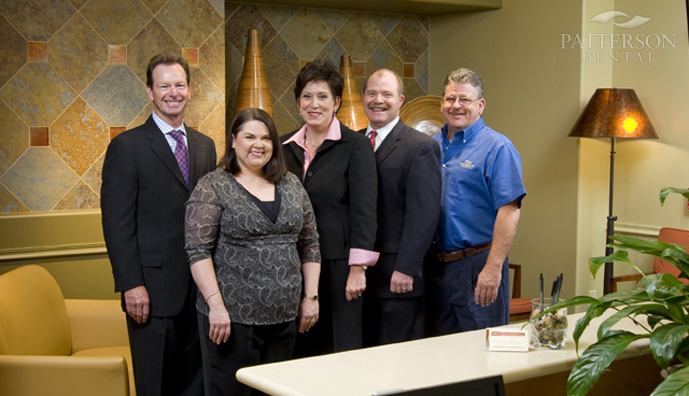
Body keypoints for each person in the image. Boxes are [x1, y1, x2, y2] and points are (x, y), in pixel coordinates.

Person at [101, 53, 216, 396]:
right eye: (164, 86)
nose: (173, 92)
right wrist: (131, 284)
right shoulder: (127, 147)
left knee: (196, 383)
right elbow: (117, 225)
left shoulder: (204, 145)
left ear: (190, 90)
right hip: (150, 292)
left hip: (199, 290)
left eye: (180, 85)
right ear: (150, 91)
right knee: (156, 384)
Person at [184, 107, 321, 396]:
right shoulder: (212, 186)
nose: (259, 144)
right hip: (231, 321)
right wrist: (216, 306)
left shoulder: (292, 184)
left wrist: (310, 297)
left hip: (285, 318)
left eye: (266, 138)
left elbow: (310, 244)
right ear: (234, 141)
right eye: (249, 137)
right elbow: (197, 251)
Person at [281, 59, 378, 356]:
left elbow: (365, 211)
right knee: (300, 350)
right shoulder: (283, 147)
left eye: (323, 97)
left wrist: (358, 268)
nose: (314, 104)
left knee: (338, 349)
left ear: (336, 102)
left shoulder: (356, 146)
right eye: (307, 96)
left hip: (339, 267)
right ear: (297, 102)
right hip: (292, 266)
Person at [425, 67, 526, 335]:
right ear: (441, 104)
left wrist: (493, 268)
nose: (456, 106)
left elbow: (509, 211)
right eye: (450, 99)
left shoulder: (498, 147)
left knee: (482, 351)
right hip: (435, 267)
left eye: (464, 100)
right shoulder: (429, 146)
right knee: (436, 353)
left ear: (480, 105)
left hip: (478, 265)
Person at [359, 69, 441, 345]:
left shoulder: (420, 147)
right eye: (372, 93)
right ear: (363, 98)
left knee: (395, 363)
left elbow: (424, 214)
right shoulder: (354, 143)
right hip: (359, 277)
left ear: (400, 100)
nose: (378, 100)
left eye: (386, 94)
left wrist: (406, 267)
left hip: (397, 277)